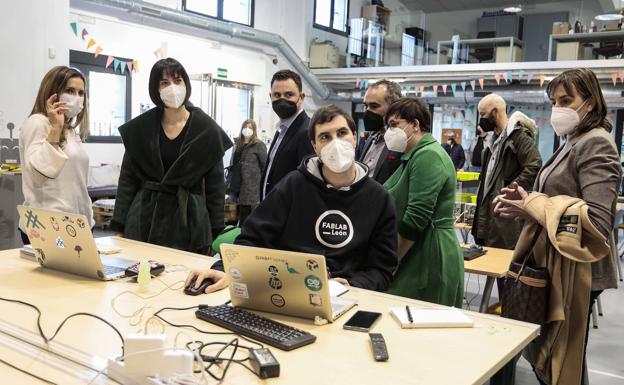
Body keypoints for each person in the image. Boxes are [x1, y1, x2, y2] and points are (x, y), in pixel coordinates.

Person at [493, 68, 621, 385]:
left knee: (564, 358)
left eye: (566, 100)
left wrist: (535, 206)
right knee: (558, 358)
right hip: (557, 261)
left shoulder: (597, 144)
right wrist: (525, 204)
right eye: (554, 101)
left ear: (590, 103)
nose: (558, 109)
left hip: (579, 269)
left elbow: (598, 221)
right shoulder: (571, 140)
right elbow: (559, 199)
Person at [186, 105, 398, 294]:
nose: (335, 143)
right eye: (325, 137)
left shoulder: (379, 199)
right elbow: (253, 237)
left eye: (342, 133)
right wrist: (224, 270)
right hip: (287, 290)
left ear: (354, 136)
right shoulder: (293, 185)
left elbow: (382, 269)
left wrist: (352, 286)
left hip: (348, 297)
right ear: (314, 146)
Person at [110, 58, 232, 254]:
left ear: (186, 84)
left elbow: (215, 187)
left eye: (177, 81)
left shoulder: (207, 130)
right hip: (143, 218)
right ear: (155, 90)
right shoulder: (141, 128)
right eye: (164, 83)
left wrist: (214, 230)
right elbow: (128, 180)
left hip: (188, 221)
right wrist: (119, 225)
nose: (172, 88)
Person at [383, 97, 464, 307]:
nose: (389, 132)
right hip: (416, 249)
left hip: (428, 253)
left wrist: (390, 264)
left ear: (415, 124)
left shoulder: (428, 156)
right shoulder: (412, 157)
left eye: (394, 125)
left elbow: (415, 219)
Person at [18, 66, 93, 244]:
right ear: (53, 92)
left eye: (81, 92)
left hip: (75, 224)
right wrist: (55, 129)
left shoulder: (69, 130)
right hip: (48, 225)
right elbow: (38, 174)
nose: (77, 98)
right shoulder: (38, 123)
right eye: (69, 90)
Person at [472, 93, 542, 250]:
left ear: (495, 112)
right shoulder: (493, 141)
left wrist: (508, 192)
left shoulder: (519, 137)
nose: (480, 119)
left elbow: (535, 165)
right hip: (488, 218)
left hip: (506, 220)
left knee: (506, 270)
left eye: (483, 114)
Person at [260, 69, 314, 200]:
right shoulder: (281, 129)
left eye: (289, 95)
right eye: (277, 95)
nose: (282, 100)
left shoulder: (306, 132)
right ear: (270, 96)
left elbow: (308, 184)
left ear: (301, 98)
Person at [358, 79, 403, 184]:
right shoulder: (370, 138)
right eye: (365, 106)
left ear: (393, 107)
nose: (367, 111)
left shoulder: (403, 142)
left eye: (374, 106)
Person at [226, 119, 267, 226]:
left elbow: (265, 167)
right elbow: (232, 165)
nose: (247, 130)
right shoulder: (237, 145)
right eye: (245, 127)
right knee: (232, 218)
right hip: (236, 187)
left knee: (247, 220)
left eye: (250, 128)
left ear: (254, 130)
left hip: (251, 189)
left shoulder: (259, 145)